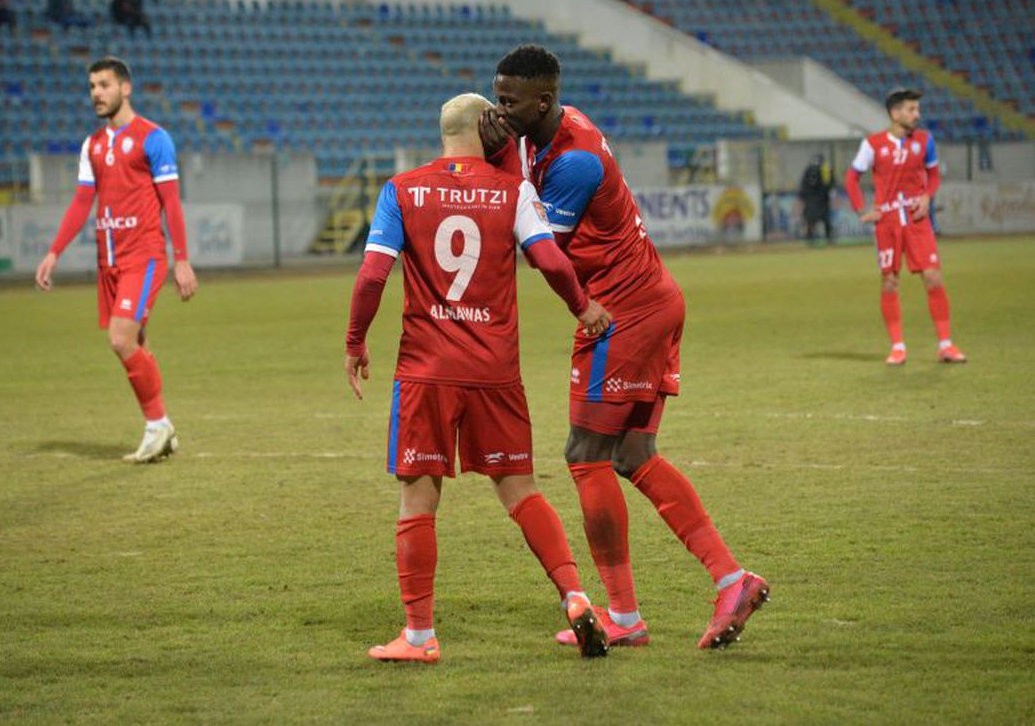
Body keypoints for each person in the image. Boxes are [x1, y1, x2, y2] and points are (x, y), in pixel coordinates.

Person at [480, 45, 768, 651]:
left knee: (585, 454)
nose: (499, 108)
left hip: (623, 313)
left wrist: (493, 159)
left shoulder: (576, 162)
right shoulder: (548, 130)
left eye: (509, 100)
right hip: (649, 300)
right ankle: (731, 579)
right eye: (496, 95)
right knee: (634, 454)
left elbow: (542, 250)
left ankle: (625, 615)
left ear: (544, 100)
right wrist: (505, 148)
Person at [345, 93, 614, 663]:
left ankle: (418, 636)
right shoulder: (511, 190)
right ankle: (574, 594)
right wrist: (583, 306)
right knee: (520, 489)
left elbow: (373, 276)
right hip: (495, 371)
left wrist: (355, 340)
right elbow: (549, 259)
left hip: (427, 370)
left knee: (418, 499)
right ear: (486, 128)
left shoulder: (401, 189)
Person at [35, 56, 198, 462]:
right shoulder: (92, 145)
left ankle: (157, 424)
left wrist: (181, 259)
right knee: (137, 341)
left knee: (121, 339)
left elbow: (171, 202)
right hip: (107, 259)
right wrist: (54, 252)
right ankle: (164, 430)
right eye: (92, 86)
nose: (96, 93)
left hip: (142, 255)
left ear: (125, 88)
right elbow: (81, 202)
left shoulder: (153, 138)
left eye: (104, 85)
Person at [844, 88, 966, 366]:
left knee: (934, 276)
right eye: (911, 110)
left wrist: (926, 197)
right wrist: (861, 209)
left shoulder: (924, 141)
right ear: (895, 113)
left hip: (916, 220)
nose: (917, 115)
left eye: (917, 109)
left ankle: (945, 345)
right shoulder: (873, 144)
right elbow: (851, 178)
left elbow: (933, 175)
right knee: (889, 282)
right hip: (887, 222)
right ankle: (898, 346)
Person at [799, 154, 834, 243]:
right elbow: (829, 185)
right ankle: (828, 238)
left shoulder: (812, 170)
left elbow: (803, 186)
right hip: (820, 200)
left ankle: (810, 238)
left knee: (812, 220)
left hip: (813, 200)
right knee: (821, 220)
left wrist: (803, 197)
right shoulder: (825, 169)